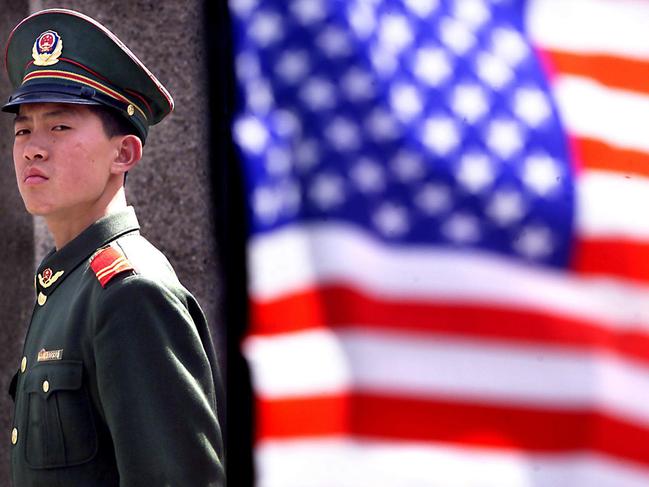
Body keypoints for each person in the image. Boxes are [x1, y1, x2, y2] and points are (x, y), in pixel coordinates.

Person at [2, 8, 225, 486]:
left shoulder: (129, 293)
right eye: (23, 129)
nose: (32, 148)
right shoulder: (65, 283)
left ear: (123, 153)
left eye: (59, 127)